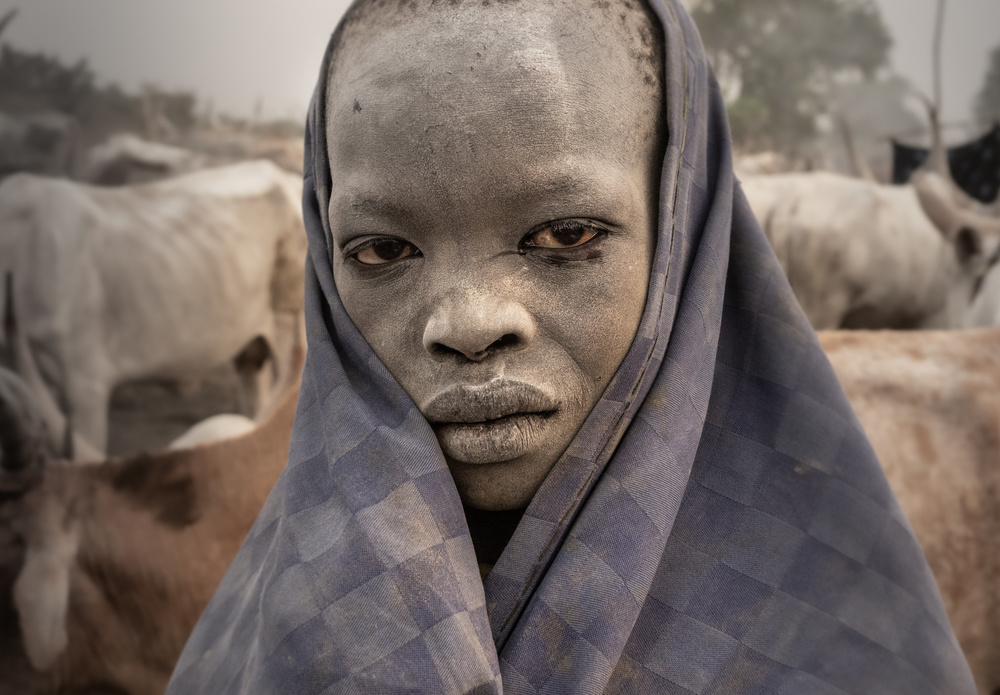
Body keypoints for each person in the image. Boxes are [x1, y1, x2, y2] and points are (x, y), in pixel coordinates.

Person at [167, 1, 976, 692]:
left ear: (679, 234)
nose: (470, 321)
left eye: (565, 234)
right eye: (382, 250)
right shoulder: (252, 646)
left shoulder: (851, 648)